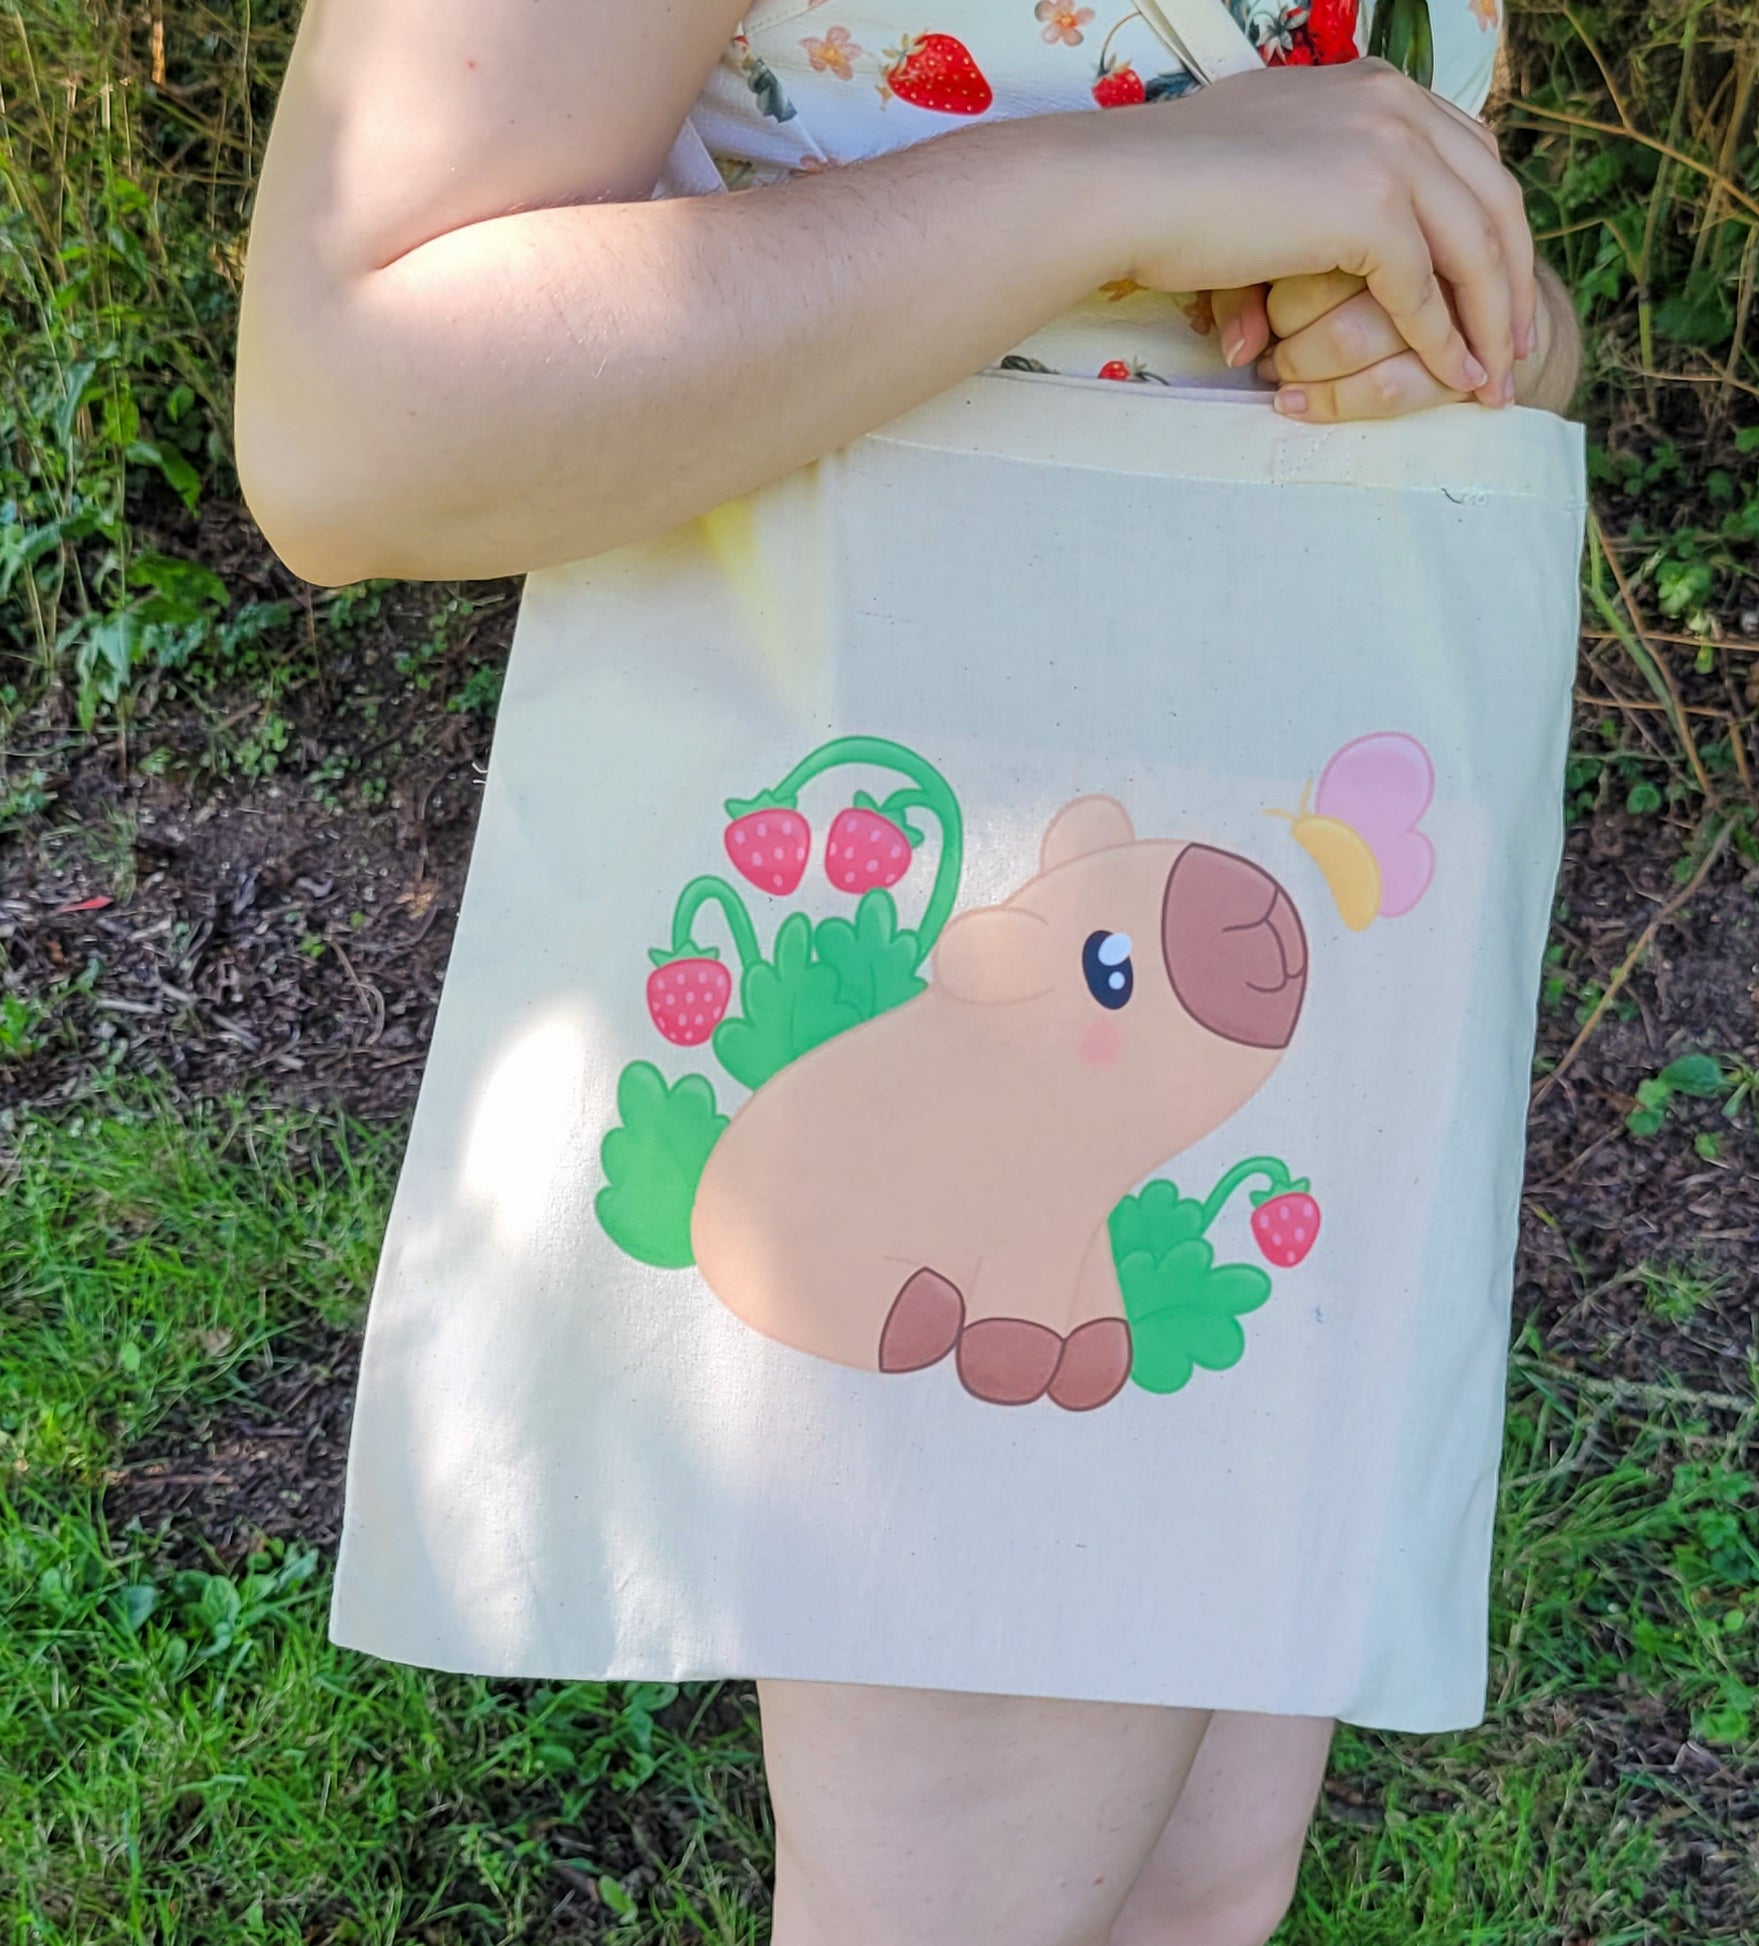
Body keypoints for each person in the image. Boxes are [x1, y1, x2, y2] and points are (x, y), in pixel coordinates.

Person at [236, 4, 1582, 1942]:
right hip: (1017, 922)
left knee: (1194, 1881)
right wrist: (1112, 184)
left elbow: (1381, 195)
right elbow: (359, 429)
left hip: (1290, 875)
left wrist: (1466, 316)